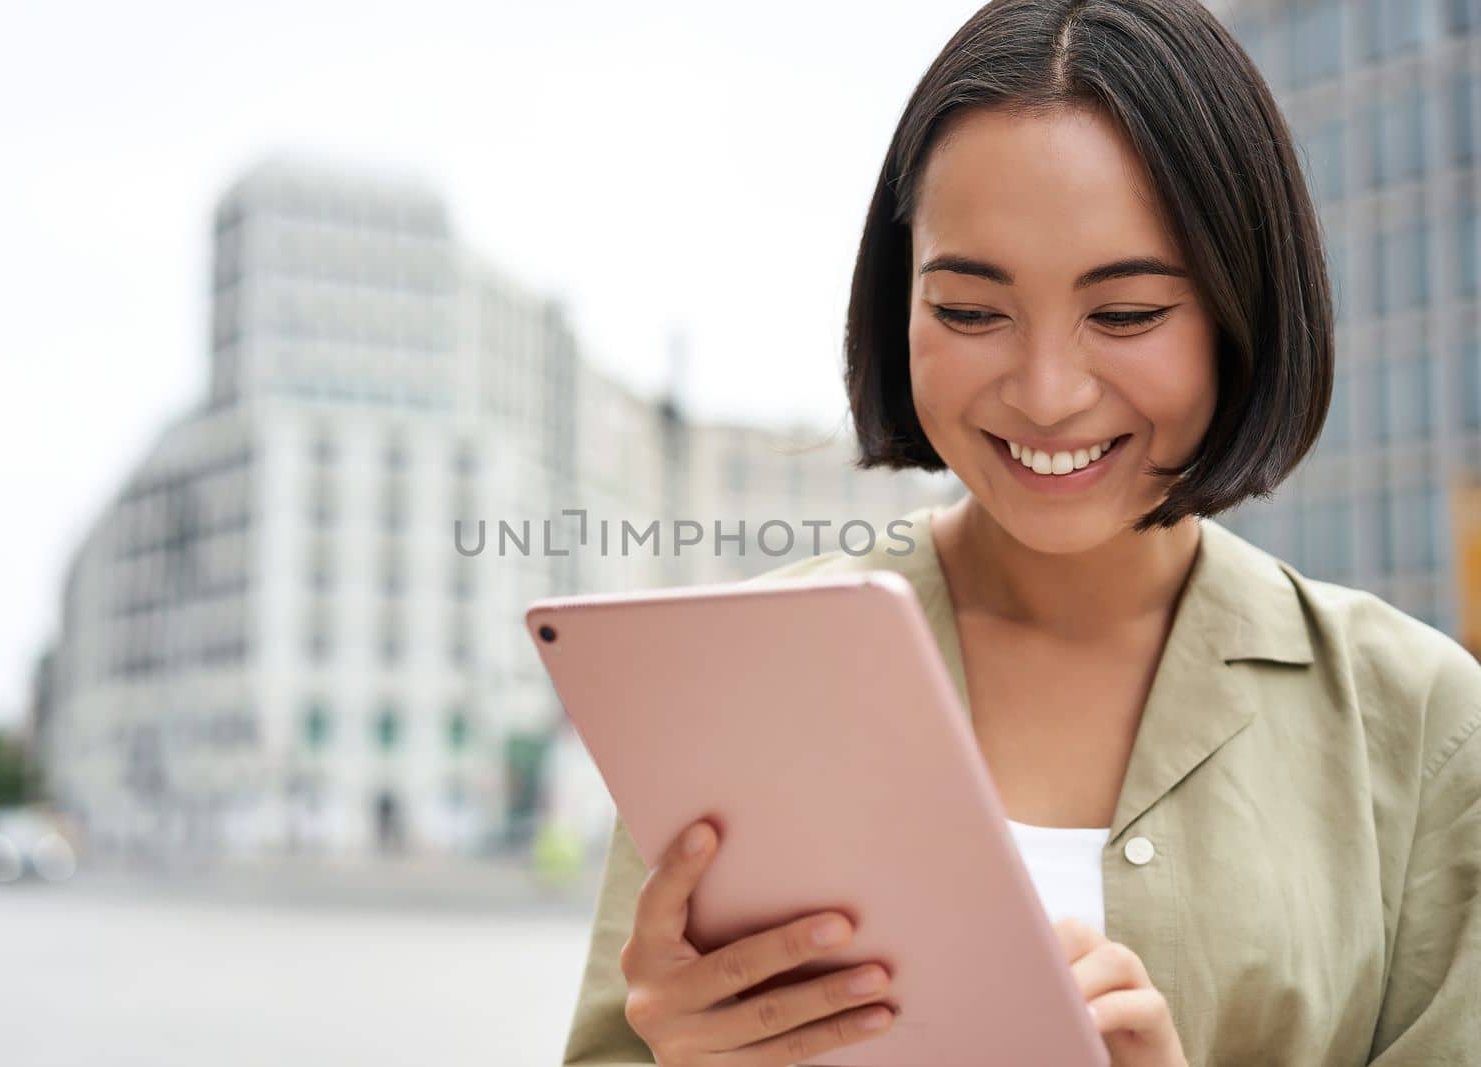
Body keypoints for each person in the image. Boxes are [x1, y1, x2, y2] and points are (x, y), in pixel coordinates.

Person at [560, 1, 1481, 1064]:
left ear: (1243, 310)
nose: (1046, 396)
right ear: (896, 301)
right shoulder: (736, 678)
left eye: (1127, 313)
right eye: (968, 311)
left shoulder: (1421, 726)